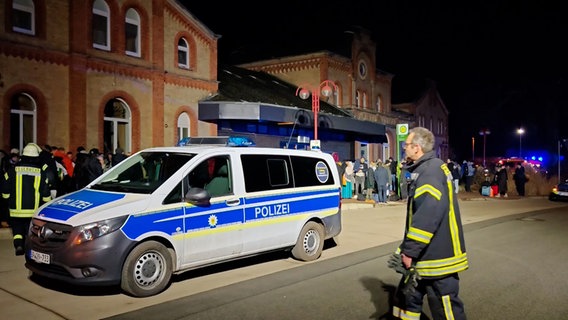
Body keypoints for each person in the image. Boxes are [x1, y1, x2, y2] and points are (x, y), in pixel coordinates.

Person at [389, 127, 468, 320]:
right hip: (427, 256)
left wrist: (410, 251)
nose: (404, 148)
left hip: (437, 259)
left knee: (445, 309)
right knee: (406, 299)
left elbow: (427, 216)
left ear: (417, 148)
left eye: (406, 145)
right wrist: (407, 249)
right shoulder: (430, 168)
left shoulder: (429, 173)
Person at [1, 143, 52, 255]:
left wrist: (6, 199)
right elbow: (45, 192)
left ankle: (18, 245)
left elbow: (5, 188)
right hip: (32, 210)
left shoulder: (12, 170)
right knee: (29, 230)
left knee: (17, 228)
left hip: (15, 210)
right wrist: (48, 204)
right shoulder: (40, 172)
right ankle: (29, 246)